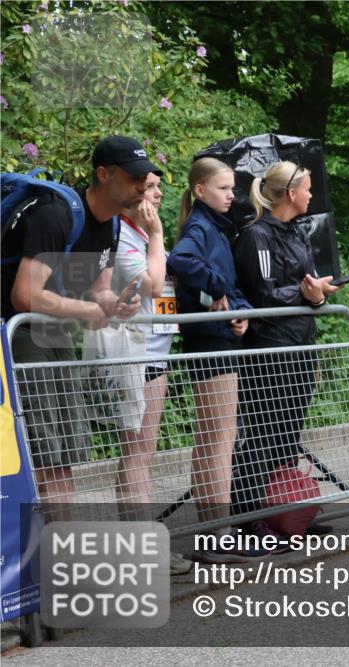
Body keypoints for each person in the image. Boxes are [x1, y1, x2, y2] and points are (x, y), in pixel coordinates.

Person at [2, 135, 150, 514]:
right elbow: (24, 295)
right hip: (19, 333)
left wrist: (115, 303)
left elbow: (98, 290)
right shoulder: (56, 215)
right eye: (134, 177)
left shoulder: (112, 225)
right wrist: (85, 311)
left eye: (145, 177)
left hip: (54, 331)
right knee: (44, 453)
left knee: (64, 453)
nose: (143, 185)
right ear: (103, 174)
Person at [232, 160, 341, 531]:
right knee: (264, 432)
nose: (312, 195)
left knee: (289, 433)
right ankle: (250, 517)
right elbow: (262, 295)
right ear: (291, 193)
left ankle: (288, 514)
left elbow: (307, 291)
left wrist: (318, 295)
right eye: (307, 189)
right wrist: (305, 293)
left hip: (302, 344)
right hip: (270, 348)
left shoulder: (299, 232)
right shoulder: (256, 235)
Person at [167, 157, 265, 563]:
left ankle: (217, 530)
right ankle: (217, 534)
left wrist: (239, 309)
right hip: (209, 342)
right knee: (218, 440)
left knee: (216, 439)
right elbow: (180, 260)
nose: (231, 195)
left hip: (219, 337)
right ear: (200, 190)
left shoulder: (215, 227)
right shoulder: (200, 227)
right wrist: (220, 290)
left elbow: (229, 285)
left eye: (232, 188)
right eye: (223, 188)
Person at [108, 170, 191, 574]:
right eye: (150, 187)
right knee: (136, 455)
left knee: (144, 453)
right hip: (133, 355)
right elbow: (154, 287)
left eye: (159, 187)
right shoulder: (123, 236)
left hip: (157, 353)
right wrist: (157, 235)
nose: (158, 194)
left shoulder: (142, 233)